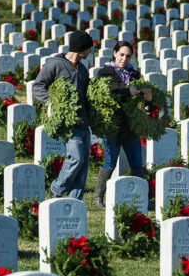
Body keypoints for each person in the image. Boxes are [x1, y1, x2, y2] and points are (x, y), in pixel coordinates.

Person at [32, 30, 94, 200]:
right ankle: (57, 188)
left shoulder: (82, 69)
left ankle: (75, 201)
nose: (90, 51)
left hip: (84, 122)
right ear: (80, 48)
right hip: (67, 122)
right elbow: (38, 86)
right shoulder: (55, 64)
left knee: (83, 166)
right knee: (77, 158)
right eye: (89, 48)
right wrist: (52, 104)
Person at [93, 41, 153, 208]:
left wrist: (147, 100)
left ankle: (143, 199)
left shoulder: (135, 75)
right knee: (110, 161)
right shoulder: (104, 73)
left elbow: (141, 104)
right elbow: (106, 95)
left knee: (136, 162)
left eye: (128, 56)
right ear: (114, 53)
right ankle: (98, 198)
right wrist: (127, 92)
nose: (124, 59)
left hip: (130, 127)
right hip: (112, 126)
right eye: (121, 55)